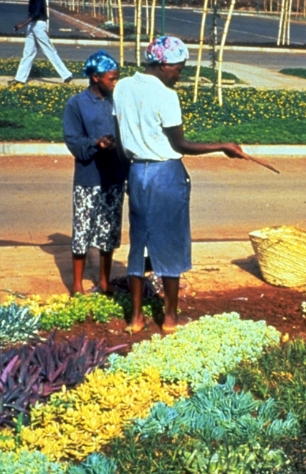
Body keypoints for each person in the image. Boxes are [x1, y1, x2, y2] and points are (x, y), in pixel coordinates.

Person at [113, 36, 246, 334]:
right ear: (162, 64)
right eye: (178, 68)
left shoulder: (122, 86)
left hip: (137, 173)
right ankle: (170, 318)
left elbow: (120, 141)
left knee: (139, 243)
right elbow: (180, 144)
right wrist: (223, 145)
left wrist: (129, 174)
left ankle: (135, 319)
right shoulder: (166, 95)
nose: (180, 74)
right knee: (169, 244)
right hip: (165, 174)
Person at [63, 50, 128, 296]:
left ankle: (104, 281)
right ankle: (77, 285)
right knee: (82, 230)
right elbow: (72, 139)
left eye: (116, 78)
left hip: (114, 175)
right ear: (95, 77)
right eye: (111, 78)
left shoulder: (117, 102)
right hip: (88, 178)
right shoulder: (76, 104)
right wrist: (95, 144)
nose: (115, 82)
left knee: (108, 232)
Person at [11, 0, 73, 85]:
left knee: (49, 51)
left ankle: (67, 75)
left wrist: (22, 24)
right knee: (28, 52)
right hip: (32, 24)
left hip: (38, 25)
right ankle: (20, 78)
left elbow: (36, 13)